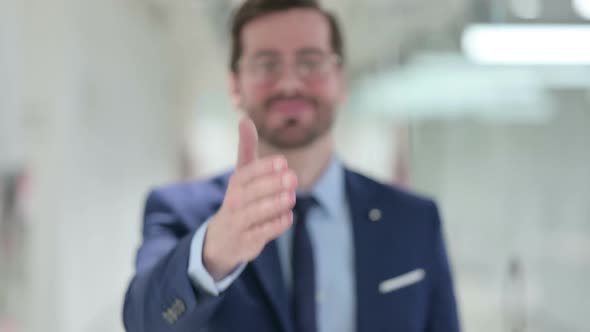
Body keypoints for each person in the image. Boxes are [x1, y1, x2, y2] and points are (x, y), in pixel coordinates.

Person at [122, 0, 460, 331]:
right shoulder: (180, 212)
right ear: (235, 86)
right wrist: (214, 253)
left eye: (310, 62)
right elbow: (143, 322)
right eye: (266, 65)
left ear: (340, 80)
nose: (289, 83)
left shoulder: (414, 221)